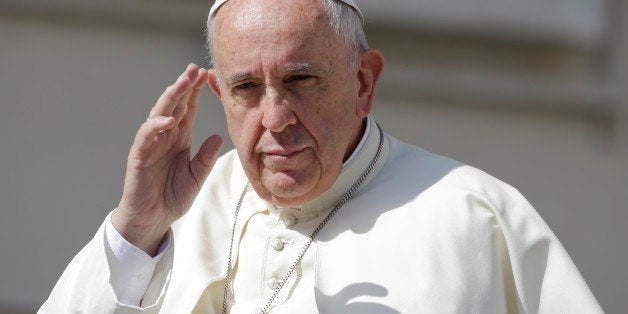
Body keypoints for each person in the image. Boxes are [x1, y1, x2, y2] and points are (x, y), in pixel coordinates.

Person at [40, 0, 603, 313]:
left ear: (363, 82)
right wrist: (135, 229)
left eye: (302, 79)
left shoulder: (475, 216)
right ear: (220, 96)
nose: (276, 116)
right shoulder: (169, 219)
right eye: (247, 89)